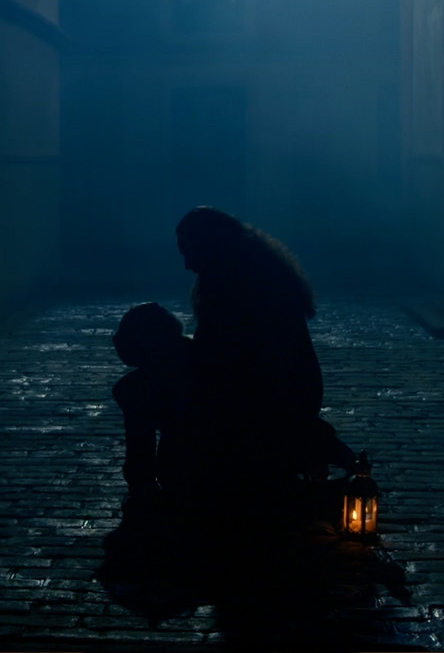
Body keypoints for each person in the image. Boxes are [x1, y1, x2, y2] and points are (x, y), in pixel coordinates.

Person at [173, 207, 359, 523]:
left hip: (269, 399)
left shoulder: (236, 288)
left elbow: (226, 360)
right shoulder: (259, 275)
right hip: (287, 393)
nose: (188, 265)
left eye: (190, 253)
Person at [110, 302, 194, 506]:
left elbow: (140, 446)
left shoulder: (134, 388)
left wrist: (142, 486)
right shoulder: (205, 356)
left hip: (182, 469)